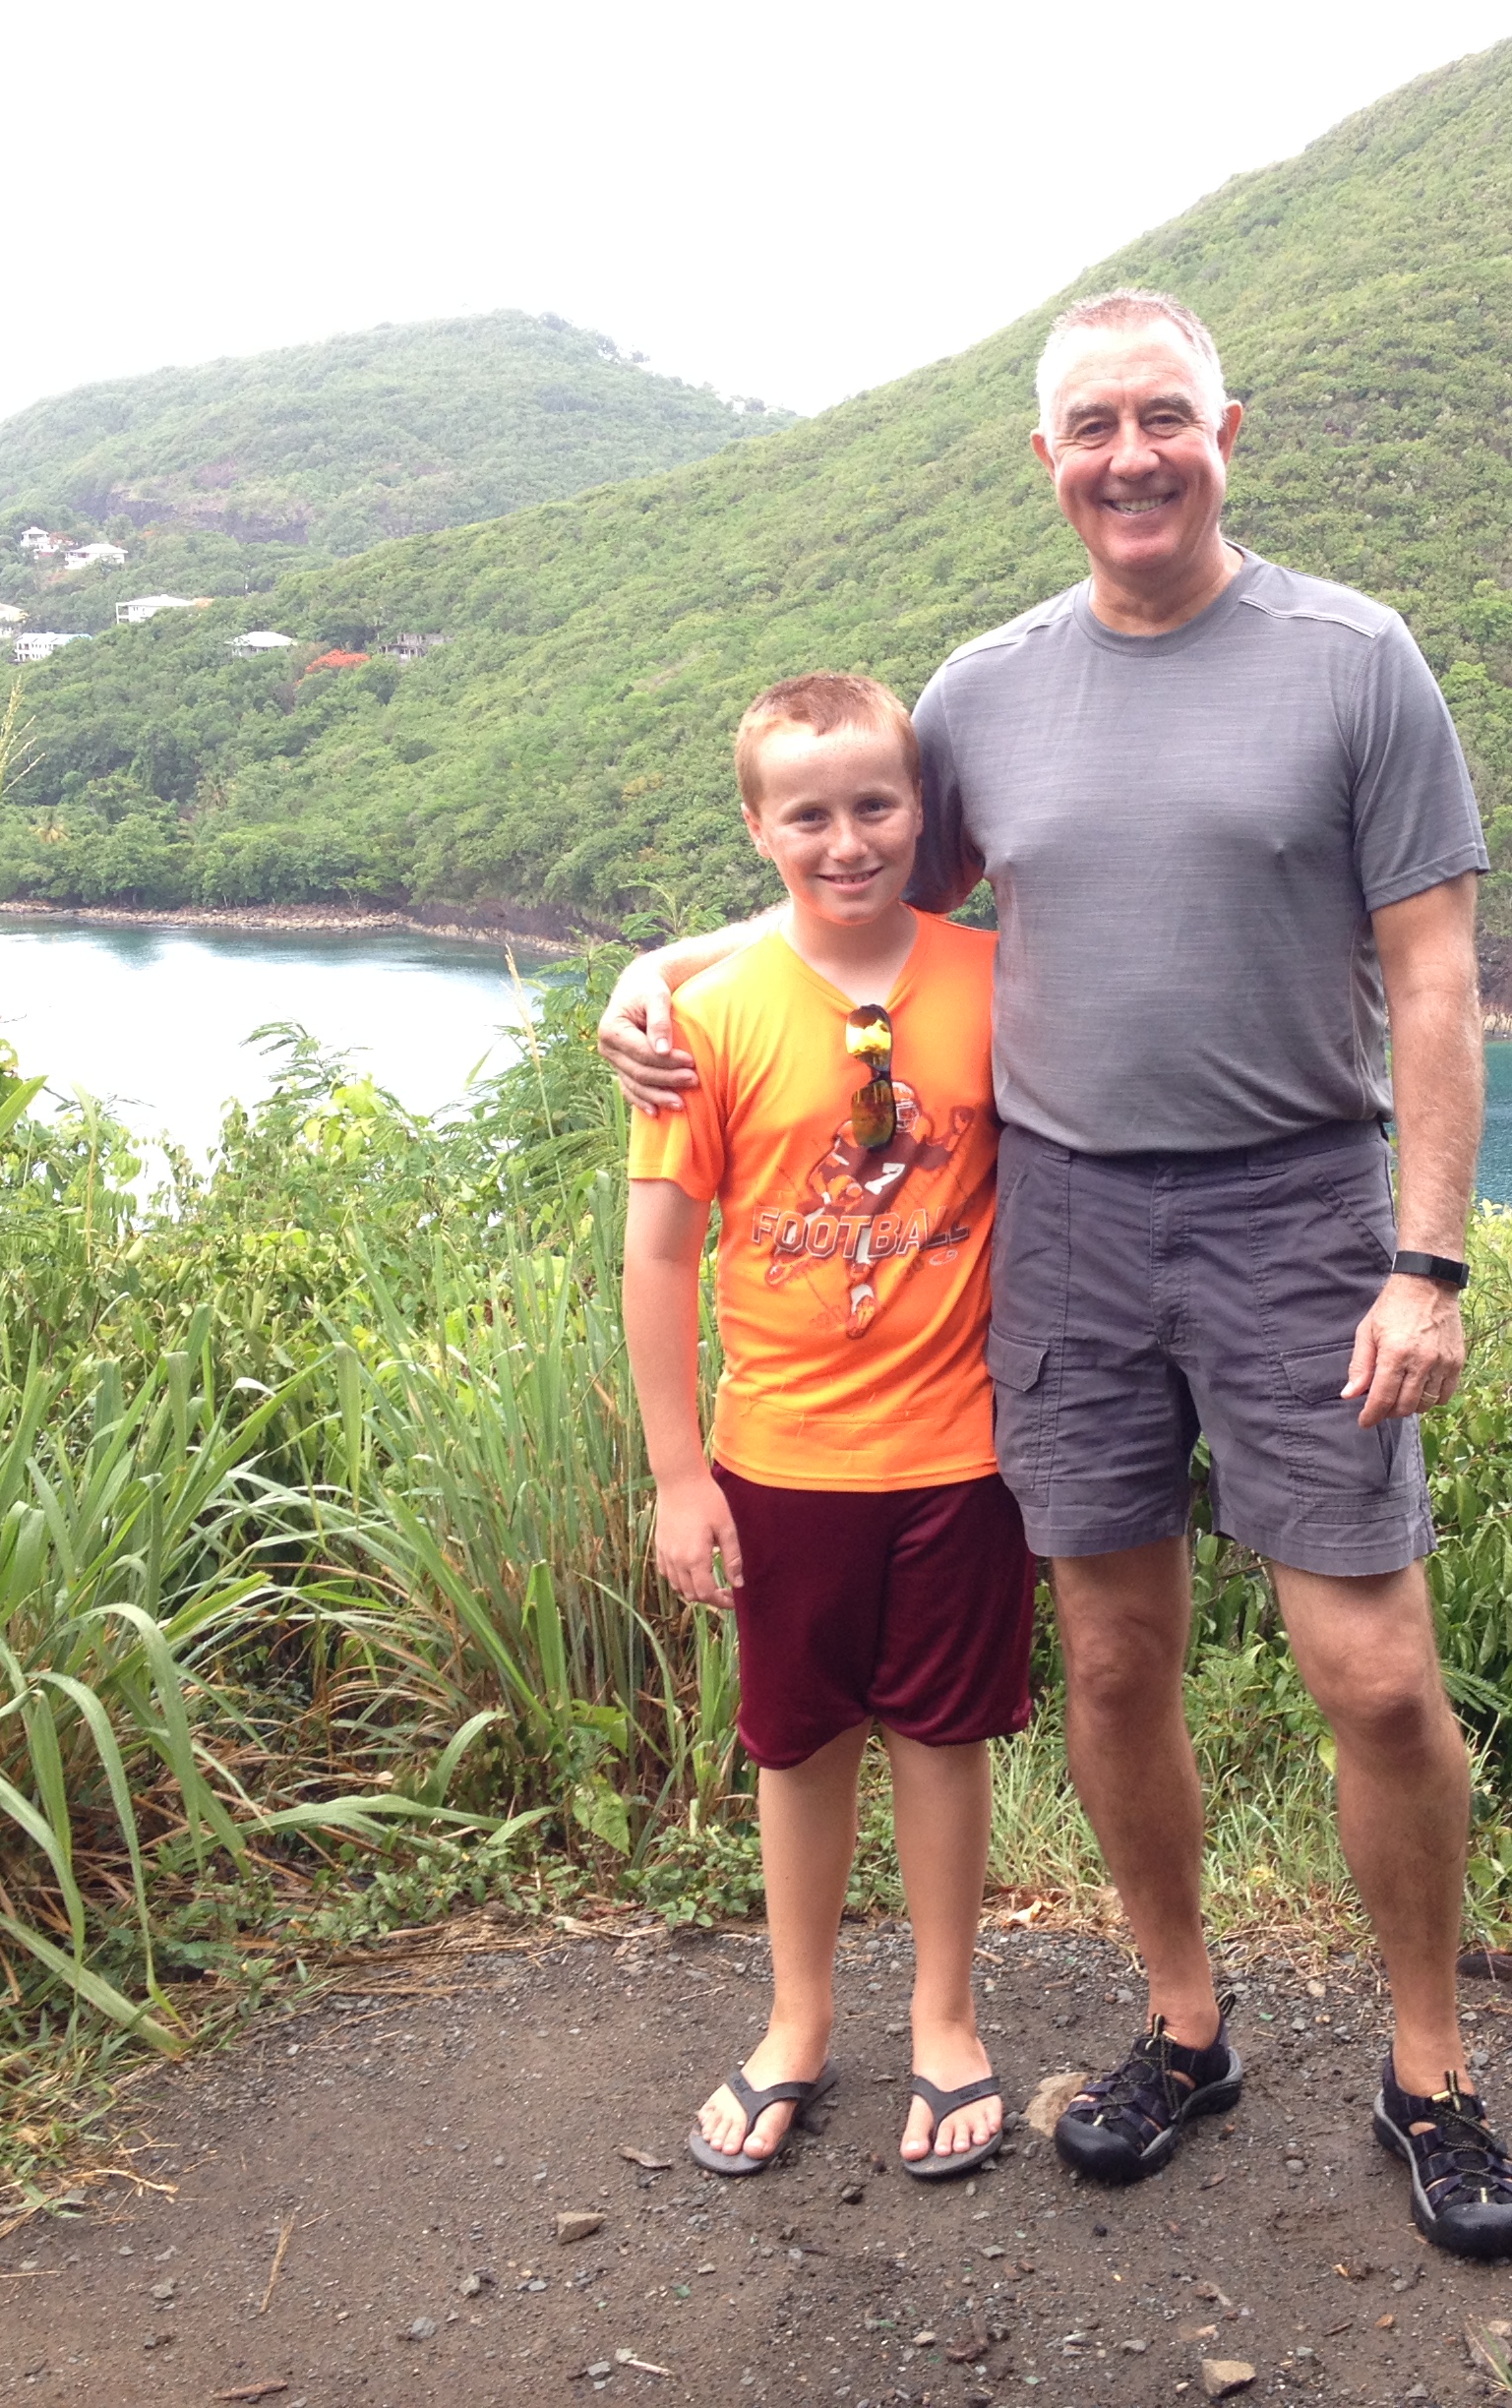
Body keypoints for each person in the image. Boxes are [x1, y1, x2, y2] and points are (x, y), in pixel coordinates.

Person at [602, 292, 1512, 2258]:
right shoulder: (986, 695)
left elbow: (1437, 974)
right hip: (1071, 1222)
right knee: (1112, 1656)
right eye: (1093, 426)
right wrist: (665, 969)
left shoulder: (1355, 659)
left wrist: (1428, 1262)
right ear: (1047, 459)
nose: (1132, 456)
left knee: (1374, 1671)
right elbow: (856, 897)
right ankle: (1185, 2026)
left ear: (1225, 430)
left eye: (1163, 418)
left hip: (1297, 1212)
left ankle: (1431, 2071)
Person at [620, 672, 1031, 2182]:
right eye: (808, 815)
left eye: (874, 805)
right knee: (796, 1745)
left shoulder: (997, 981)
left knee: (941, 1735)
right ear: (758, 826)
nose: (845, 840)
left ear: (923, 812)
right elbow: (659, 1253)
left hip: (963, 1450)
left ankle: (946, 2018)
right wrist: (678, 1474)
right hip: (781, 1457)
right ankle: (797, 2019)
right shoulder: (707, 1018)